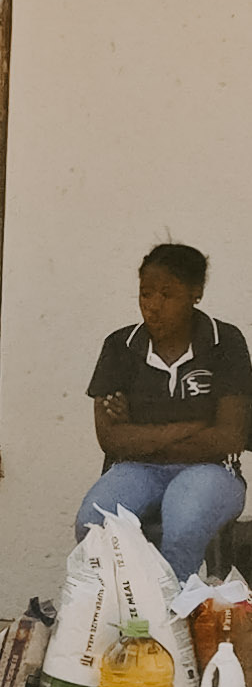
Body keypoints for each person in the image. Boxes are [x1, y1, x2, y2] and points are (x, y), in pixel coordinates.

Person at [77, 240, 249, 581]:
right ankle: (120, 611)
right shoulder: (120, 346)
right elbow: (110, 439)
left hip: (211, 471)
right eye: (146, 294)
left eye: (167, 295)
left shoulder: (225, 342)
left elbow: (230, 437)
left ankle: (169, 621)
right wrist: (194, 426)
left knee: (184, 524)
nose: (152, 307)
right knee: (92, 522)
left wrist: (140, 433)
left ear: (195, 294)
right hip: (138, 468)